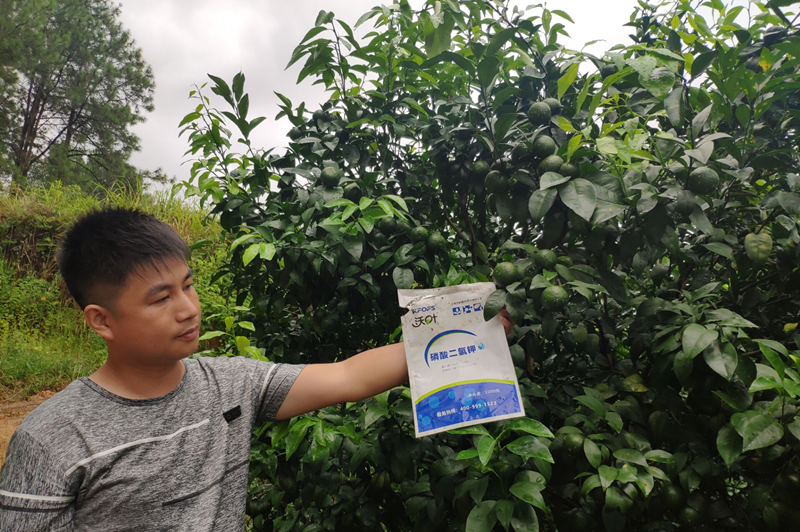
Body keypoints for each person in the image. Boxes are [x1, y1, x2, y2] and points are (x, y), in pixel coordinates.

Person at [0, 207, 513, 531]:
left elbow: (349, 376)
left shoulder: (230, 382)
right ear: (101, 320)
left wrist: (479, 325)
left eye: (189, 284)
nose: (188, 308)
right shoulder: (54, 438)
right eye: (161, 298)